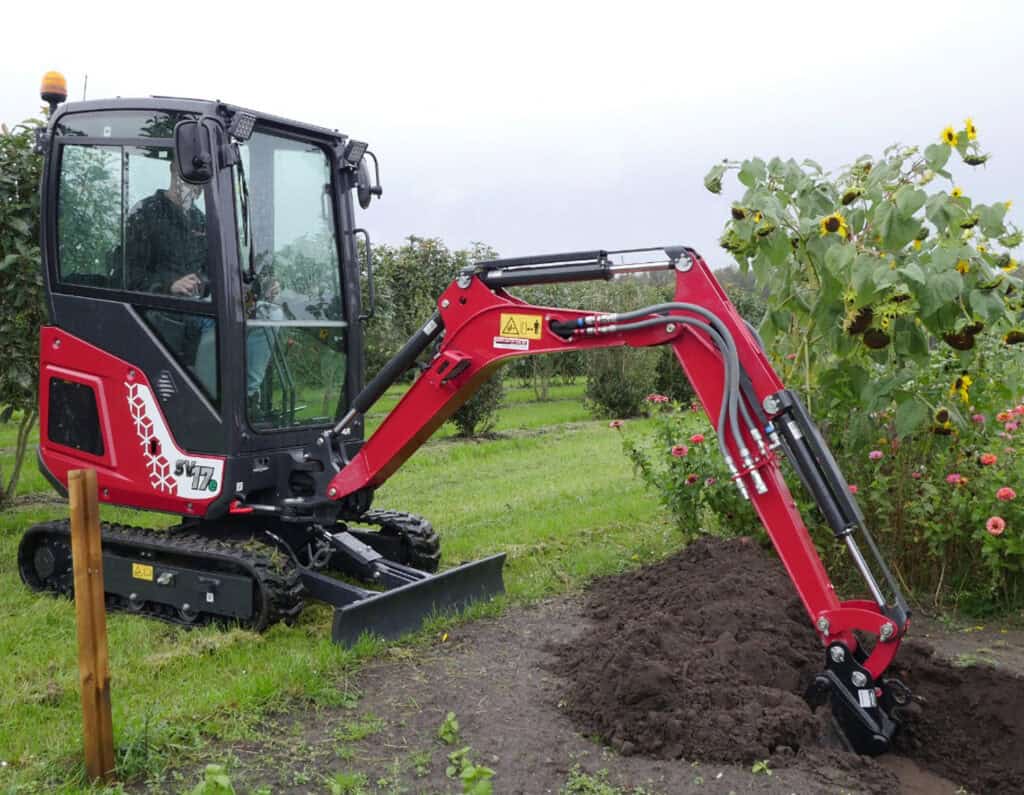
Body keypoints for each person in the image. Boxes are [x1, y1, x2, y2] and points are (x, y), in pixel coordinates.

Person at [124, 160, 208, 297]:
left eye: (202, 177)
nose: (198, 184)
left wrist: (203, 284)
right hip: (159, 306)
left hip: (196, 304)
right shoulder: (144, 213)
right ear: (174, 169)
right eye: (191, 173)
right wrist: (169, 287)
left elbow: (211, 272)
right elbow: (130, 278)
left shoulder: (201, 222)